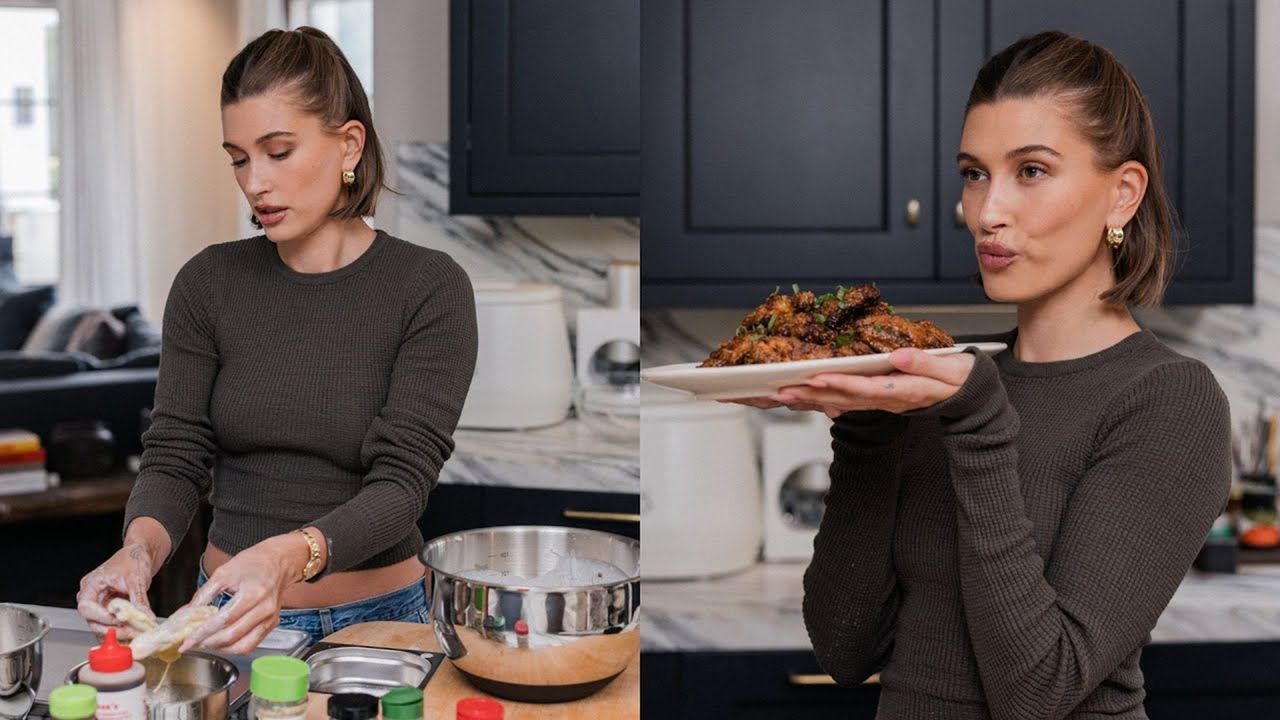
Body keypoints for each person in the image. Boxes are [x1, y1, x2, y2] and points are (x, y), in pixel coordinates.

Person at [734, 31, 1231, 719]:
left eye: (1031, 171)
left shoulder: (1169, 401)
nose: (987, 212)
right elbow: (846, 652)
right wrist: (868, 428)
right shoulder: (947, 386)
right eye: (974, 173)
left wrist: (978, 422)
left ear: (1122, 195)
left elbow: (1040, 692)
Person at [77, 27, 478, 653]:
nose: (254, 182)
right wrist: (137, 552)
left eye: (278, 151)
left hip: (381, 627)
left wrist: (286, 557)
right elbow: (176, 455)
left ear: (349, 145)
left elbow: (402, 486)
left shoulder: (429, 287)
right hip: (227, 623)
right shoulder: (207, 282)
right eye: (238, 158)